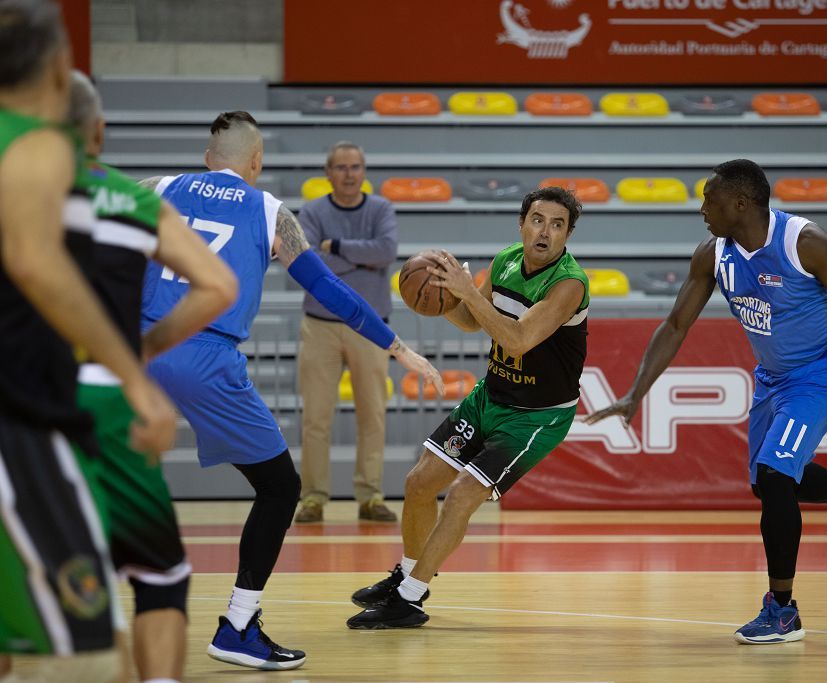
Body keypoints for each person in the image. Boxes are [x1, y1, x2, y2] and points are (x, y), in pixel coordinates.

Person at [138, 111, 443, 670]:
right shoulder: (269, 210)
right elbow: (328, 288)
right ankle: (237, 624)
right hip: (205, 356)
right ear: (256, 162)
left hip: (138, 348)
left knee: (83, 471)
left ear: (209, 157)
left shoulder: (158, 187)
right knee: (279, 488)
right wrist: (396, 346)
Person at [585, 159, 827, 645]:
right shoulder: (713, 254)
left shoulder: (803, 242)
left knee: (776, 475)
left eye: (709, 199)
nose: (702, 209)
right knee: (768, 483)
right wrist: (634, 395)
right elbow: (675, 326)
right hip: (773, 377)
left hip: (822, 370)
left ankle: (782, 610)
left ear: (741, 202)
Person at [0, 2, 176, 681]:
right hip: (23, 421)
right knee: (85, 655)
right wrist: (134, 378)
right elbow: (35, 261)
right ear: (57, 66)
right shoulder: (40, 143)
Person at [347, 186, 589, 629]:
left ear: (567, 236)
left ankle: (410, 599)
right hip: (491, 396)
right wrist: (439, 295)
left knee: (461, 495)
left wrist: (469, 292)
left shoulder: (568, 284)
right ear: (522, 224)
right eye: (538, 220)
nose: (545, 232)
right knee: (419, 482)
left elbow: (516, 341)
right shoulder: (507, 260)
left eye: (558, 225)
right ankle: (405, 574)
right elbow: (471, 319)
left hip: (536, 416)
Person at [67, 71, 238, 683]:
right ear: (99, 130)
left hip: (24, 395)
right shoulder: (133, 201)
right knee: (160, 573)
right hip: (109, 394)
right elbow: (218, 286)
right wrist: (142, 349)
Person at [294, 141, 399, 524]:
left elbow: (386, 251)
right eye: (341, 167)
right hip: (319, 325)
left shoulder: (381, 209)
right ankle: (312, 498)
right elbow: (304, 262)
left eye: (356, 166)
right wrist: (360, 262)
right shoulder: (312, 211)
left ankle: (370, 496)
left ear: (364, 170)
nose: (349, 173)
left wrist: (334, 249)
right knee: (316, 417)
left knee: (372, 415)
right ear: (328, 172)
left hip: (370, 327)